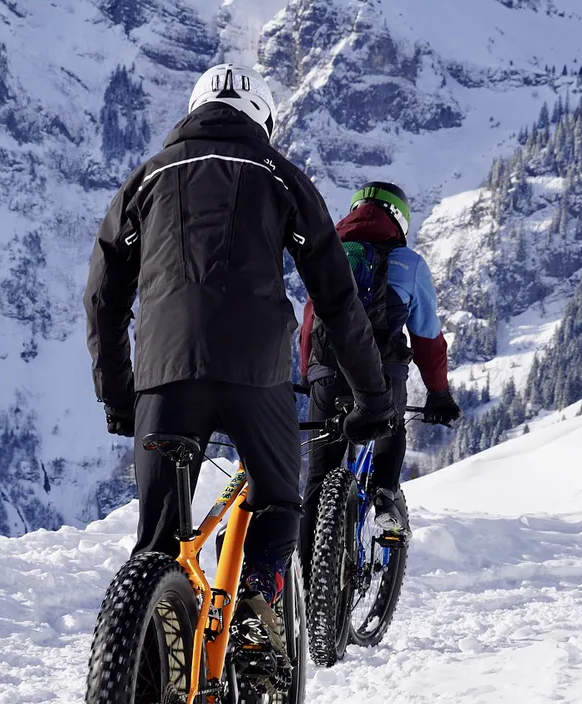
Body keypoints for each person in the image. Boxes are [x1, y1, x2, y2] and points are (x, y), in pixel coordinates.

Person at [83, 63, 394, 653]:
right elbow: (336, 300)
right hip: (255, 373)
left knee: (158, 544)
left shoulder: (145, 180)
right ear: (263, 120)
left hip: (164, 375)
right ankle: (257, 601)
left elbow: (103, 297)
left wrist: (120, 395)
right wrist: (373, 398)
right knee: (278, 500)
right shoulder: (280, 176)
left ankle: (146, 682)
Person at [298, 181, 462, 543]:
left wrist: (309, 374)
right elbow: (428, 339)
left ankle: (306, 570)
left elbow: (309, 323)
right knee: (391, 424)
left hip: (327, 373)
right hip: (383, 375)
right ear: (400, 219)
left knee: (318, 479)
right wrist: (438, 393)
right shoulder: (409, 263)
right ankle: (386, 494)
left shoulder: (330, 254)